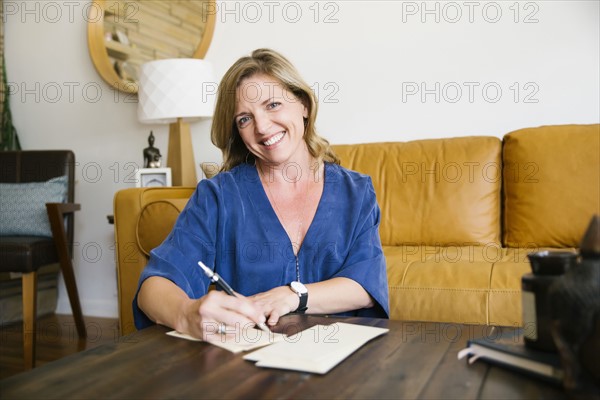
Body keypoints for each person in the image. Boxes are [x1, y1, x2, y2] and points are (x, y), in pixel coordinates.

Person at [135, 49, 389, 340]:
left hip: (340, 360)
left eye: (273, 104)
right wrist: (186, 313)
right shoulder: (219, 197)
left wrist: (293, 295)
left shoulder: (355, 192)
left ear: (303, 104)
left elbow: (365, 286)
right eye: (244, 119)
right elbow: (153, 287)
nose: (262, 127)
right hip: (250, 365)